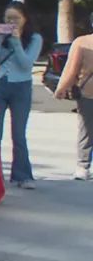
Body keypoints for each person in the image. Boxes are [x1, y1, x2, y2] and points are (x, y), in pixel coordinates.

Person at [0, 1, 43, 189]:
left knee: (18, 134)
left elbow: (26, 65)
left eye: (16, 18)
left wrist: (17, 42)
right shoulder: (1, 36)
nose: (11, 22)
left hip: (21, 87)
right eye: (8, 18)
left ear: (25, 19)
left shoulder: (35, 38)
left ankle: (22, 176)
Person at [52, 12, 93, 180]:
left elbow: (71, 69)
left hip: (88, 92)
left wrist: (60, 88)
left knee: (86, 129)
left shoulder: (82, 42)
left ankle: (83, 166)